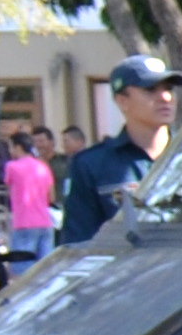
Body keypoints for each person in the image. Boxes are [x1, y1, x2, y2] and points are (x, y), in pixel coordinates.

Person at [54, 60, 175, 243]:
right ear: (122, 101)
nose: (165, 97)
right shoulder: (91, 165)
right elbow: (80, 241)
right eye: (150, 90)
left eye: (168, 89)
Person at [0, 132, 48, 277]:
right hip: (45, 221)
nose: (9, 151)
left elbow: (9, 186)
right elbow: (49, 194)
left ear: (18, 147)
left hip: (24, 222)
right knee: (46, 269)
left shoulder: (12, 166)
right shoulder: (42, 166)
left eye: (10, 147)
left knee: (23, 271)